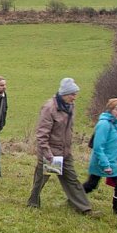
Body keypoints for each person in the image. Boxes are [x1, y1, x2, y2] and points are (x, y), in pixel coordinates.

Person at [27, 78, 93, 213]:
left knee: (72, 180)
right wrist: (48, 154)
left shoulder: (70, 107)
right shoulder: (50, 108)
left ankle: (85, 209)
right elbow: (42, 134)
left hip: (65, 152)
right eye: (72, 94)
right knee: (40, 181)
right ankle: (33, 203)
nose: (75, 97)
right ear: (64, 94)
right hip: (51, 153)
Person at [83, 98, 117, 215]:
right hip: (102, 161)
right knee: (91, 185)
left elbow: (113, 139)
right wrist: (105, 164)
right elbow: (98, 146)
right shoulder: (103, 124)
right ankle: (73, 198)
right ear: (110, 110)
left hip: (116, 161)